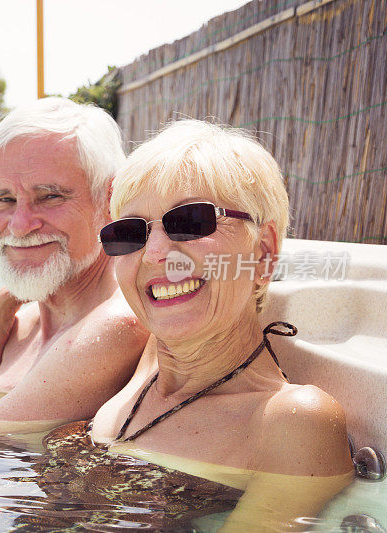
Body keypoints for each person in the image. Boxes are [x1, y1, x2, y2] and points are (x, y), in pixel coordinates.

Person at [48, 119, 352, 529]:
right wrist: (9, 297)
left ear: (263, 253)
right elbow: (74, 279)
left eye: (190, 221)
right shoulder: (150, 354)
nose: (155, 253)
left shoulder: (291, 421)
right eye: (130, 232)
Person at [0, 97, 149, 426]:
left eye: (50, 196)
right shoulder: (20, 325)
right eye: (4, 199)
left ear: (111, 200)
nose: (19, 226)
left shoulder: (114, 327)